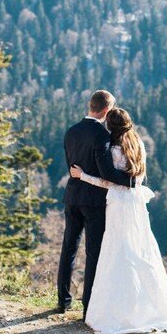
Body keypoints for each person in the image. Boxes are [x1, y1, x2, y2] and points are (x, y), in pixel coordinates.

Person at [70, 107, 167, 334]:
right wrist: (130, 184)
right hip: (136, 204)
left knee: (117, 252)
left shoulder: (113, 149)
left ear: (110, 126)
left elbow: (109, 181)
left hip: (118, 205)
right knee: (141, 249)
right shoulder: (139, 144)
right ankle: (149, 306)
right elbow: (135, 180)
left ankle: (118, 309)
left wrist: (83, 176)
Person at [55, 90, 137, 314]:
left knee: (68, 249)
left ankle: (63, 300)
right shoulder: (101, 135)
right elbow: (107, 172)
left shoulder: (71, 131)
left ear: (91, 105)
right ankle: (88, 306)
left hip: (72, 197)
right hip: (93, 202)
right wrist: (130, 181)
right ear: (107, 110)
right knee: (93, 252)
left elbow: (71, 167)